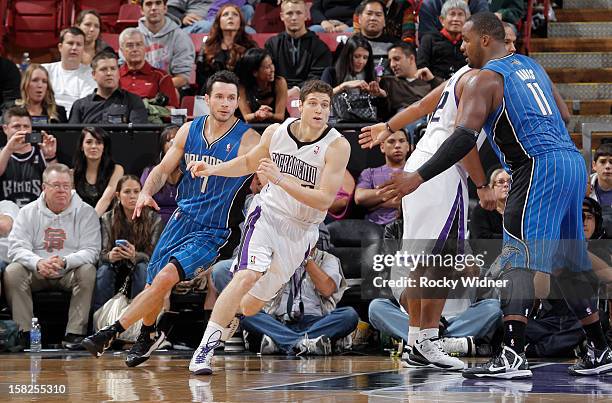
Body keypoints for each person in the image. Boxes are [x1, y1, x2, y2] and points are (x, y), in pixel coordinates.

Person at [372, 12, 612, 378]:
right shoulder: (532, 67)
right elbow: (563, 114)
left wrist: (418, 176)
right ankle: (600, 347)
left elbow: (464, 136)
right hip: (572, 161)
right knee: (570, 258)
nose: (462, 47)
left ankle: (512, 355)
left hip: (536, 167)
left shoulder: (485, 78)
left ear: (484, 39)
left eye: (465, 41)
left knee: (518, 260)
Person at [81, 71, 259, 368]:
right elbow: (163, 169)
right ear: (207, 99)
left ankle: (110, 332)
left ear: (238, 102)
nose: (226, 103)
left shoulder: (248, 138)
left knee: (164, 278)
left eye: (232, 98)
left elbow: (266, 167)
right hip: (181, 218)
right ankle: (149, 332)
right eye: (220, 97)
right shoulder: (190, 130)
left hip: (214, 228)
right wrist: (145, 192)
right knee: (154, 283)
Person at [186, 79, 351, 375]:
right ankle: (204, 351)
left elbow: (324, 199)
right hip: (268, 214)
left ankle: (230, 316)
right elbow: (249, 161)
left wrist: (280, 178)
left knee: (249, 307)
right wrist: (213, 169)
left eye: (325, 105)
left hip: (301, 230)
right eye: (313, 103)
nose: (319, 110)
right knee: (245, 275)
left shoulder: (337, 146)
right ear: (300, 105)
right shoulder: (277, 132)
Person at [4, 163, 100, 350]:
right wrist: (37, 262)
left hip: (69, 271)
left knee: (88, 270)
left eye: (66, 186)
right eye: (56, 185)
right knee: (12, 271)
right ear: (44, 187)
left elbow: (92, 250)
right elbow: (16, 247)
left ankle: (75, 334)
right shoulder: (28, 212)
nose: (62, 191)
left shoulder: (86, 212)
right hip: (37, 271)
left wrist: (66, 261)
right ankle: (24, 333)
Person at [94, 175, 164, 311]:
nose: (132, 196)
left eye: (137, 192)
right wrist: (110, 256)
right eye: (127, 192)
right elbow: (101, 255)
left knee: (143, 268)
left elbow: (154, 256)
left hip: (141, 265)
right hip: (116, 266)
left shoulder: (154, 219)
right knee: (104, 270)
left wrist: (134, 255)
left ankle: (137, 320)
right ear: (118, 195)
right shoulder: (107, 218)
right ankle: (100, 320)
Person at [265, 0, 333, 93]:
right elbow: (268, 75)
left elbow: (318, 77)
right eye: (289, 13)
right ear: (282, 16)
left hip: (308, 95)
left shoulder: (320, 47)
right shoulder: (272, 45)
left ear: (306, 16)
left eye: (298, 13)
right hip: (277, 93)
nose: (294, 18)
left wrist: (297, 89)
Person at [69, 51, 148, 124]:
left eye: (113, 69)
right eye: (103, 69)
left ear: (119, 73)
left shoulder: (133, 101)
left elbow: (139, 136)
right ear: (93, 74)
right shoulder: (80, 106)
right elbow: (73, 137)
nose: (109, 73)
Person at [0, 106, 57, 207]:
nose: (23, 131)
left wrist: (50, 156)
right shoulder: (2, 153)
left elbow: (55, 183)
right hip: (6, 212)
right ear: (5, 129)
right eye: (17, 126)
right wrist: (9, 148)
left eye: (26, 126)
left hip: (36, 212)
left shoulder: (41, 151)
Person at [195, 4, 257, 92]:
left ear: (241, 21)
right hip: (212, 95)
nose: (230, 17)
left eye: (235, 14)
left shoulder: (250, 47)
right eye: (225, 14)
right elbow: (201, 78)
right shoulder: (207, 47)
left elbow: (253, 78)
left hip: (242, 96)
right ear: (218, 22)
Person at [355, 129, 409, 226]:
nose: (397, 146)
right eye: (391, 141)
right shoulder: (369, 173)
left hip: (407, 226)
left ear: (408, 146)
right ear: (382, 147)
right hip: (374, 228)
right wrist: (399, 194)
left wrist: (377, 204)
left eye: (402, 141)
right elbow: (360, 197)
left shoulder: (415, 172)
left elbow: (418, 201)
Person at [138, 0, 196, 89]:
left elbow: (182, 78)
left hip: (171, 90)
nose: (154, 8)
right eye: (149, 4)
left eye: (158, 3)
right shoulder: (133, 36)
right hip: (139, 90)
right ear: (141, 10)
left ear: (165, 8)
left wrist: (153, 87)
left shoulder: (180, 37)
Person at [119, 28, 180, 108]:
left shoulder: (161, 76)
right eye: (130, 46)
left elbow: (172, 109)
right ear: (122, 50)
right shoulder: (115, 76)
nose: (135, 49)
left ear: (145, 48)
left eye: (139, 44)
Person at [42, 27, 97, 115]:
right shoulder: (45, 71)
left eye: (79, 44)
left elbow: (85, 107)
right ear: (60, 47)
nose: (74, 48)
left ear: (83, 49)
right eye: (70, 43)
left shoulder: (91, 74)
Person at [72, 127, 125, 216]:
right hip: (79, 221)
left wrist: (91, 221)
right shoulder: (72, 173)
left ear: (104, 147)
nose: (94, 146)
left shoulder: (117, 170)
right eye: (89, 142)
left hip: (107, 223)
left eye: (99, 143)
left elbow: (106, 199)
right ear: (82, 146)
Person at [417, 0, 469, 81]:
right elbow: (421, 67)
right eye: (452, 14)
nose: (456, 19)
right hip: (432, 86)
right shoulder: (429, 39)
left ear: (467, 20)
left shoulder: (469, 42)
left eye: (460, 14)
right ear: (442, 20)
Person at [140, 125, 181, 224]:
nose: (172, 143)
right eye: (168, 140)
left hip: (184, 223)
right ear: (162, 146)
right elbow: (142, 199)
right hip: (156, 223)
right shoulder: (150, 172)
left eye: (176, 139)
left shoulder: (191, 171)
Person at [235, 48, 288, 123]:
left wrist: (268, 115)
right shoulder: (242, 86)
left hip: (276, 127)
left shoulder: (279, 82)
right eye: (267, 67)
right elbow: (246, 117)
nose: (272, 69)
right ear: (255, 72)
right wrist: (257, 115)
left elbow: (280, 117)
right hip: (252, 128)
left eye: (272, 64)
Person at [321, 35, 385, 98]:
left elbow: (387, 96)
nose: (361, 61)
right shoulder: (330, 73)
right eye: (356, 56)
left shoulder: (371, 74)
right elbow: (321, 96)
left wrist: (379, 92)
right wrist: (343, 86)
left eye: (365, 58)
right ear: (347, 56)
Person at [589, 143, 612, 208]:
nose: (607, 166)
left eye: (611, 162)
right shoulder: (583, 187)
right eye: (602, 162)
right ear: (594, 165)